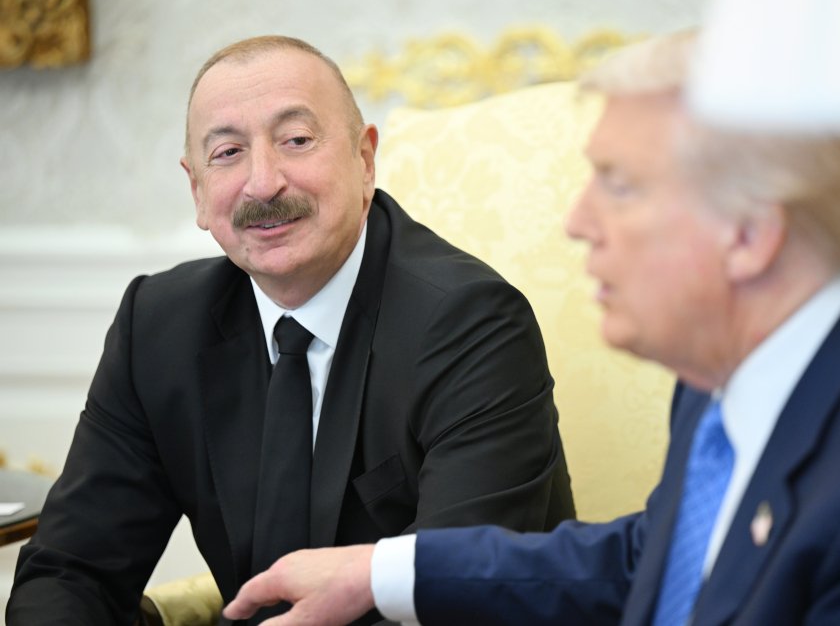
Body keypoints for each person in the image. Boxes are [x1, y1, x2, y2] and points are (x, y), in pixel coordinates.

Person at [221, 29, 840, 625]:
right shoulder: (730, 369)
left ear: (751, 233)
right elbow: (661, 559)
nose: (578, 221)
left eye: (619, 186)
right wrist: (381, 573)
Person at [6, 35, 575, 625]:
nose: (262, 183)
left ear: (364, 160)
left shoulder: (472, 324)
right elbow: (71, 569)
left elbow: (454, 594)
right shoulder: (157, 324)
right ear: (197, 189)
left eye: (296, 140)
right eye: (228, 152)